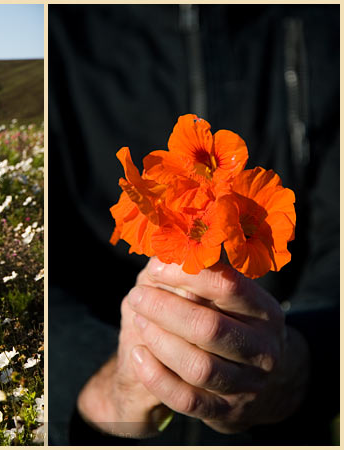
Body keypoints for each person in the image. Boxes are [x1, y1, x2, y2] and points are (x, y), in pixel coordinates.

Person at [49, 4, 339, 445]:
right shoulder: (56, 28)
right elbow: (38, 266)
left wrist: (308, 355)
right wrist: (98, 384)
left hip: (286, 423)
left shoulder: (327, 21)